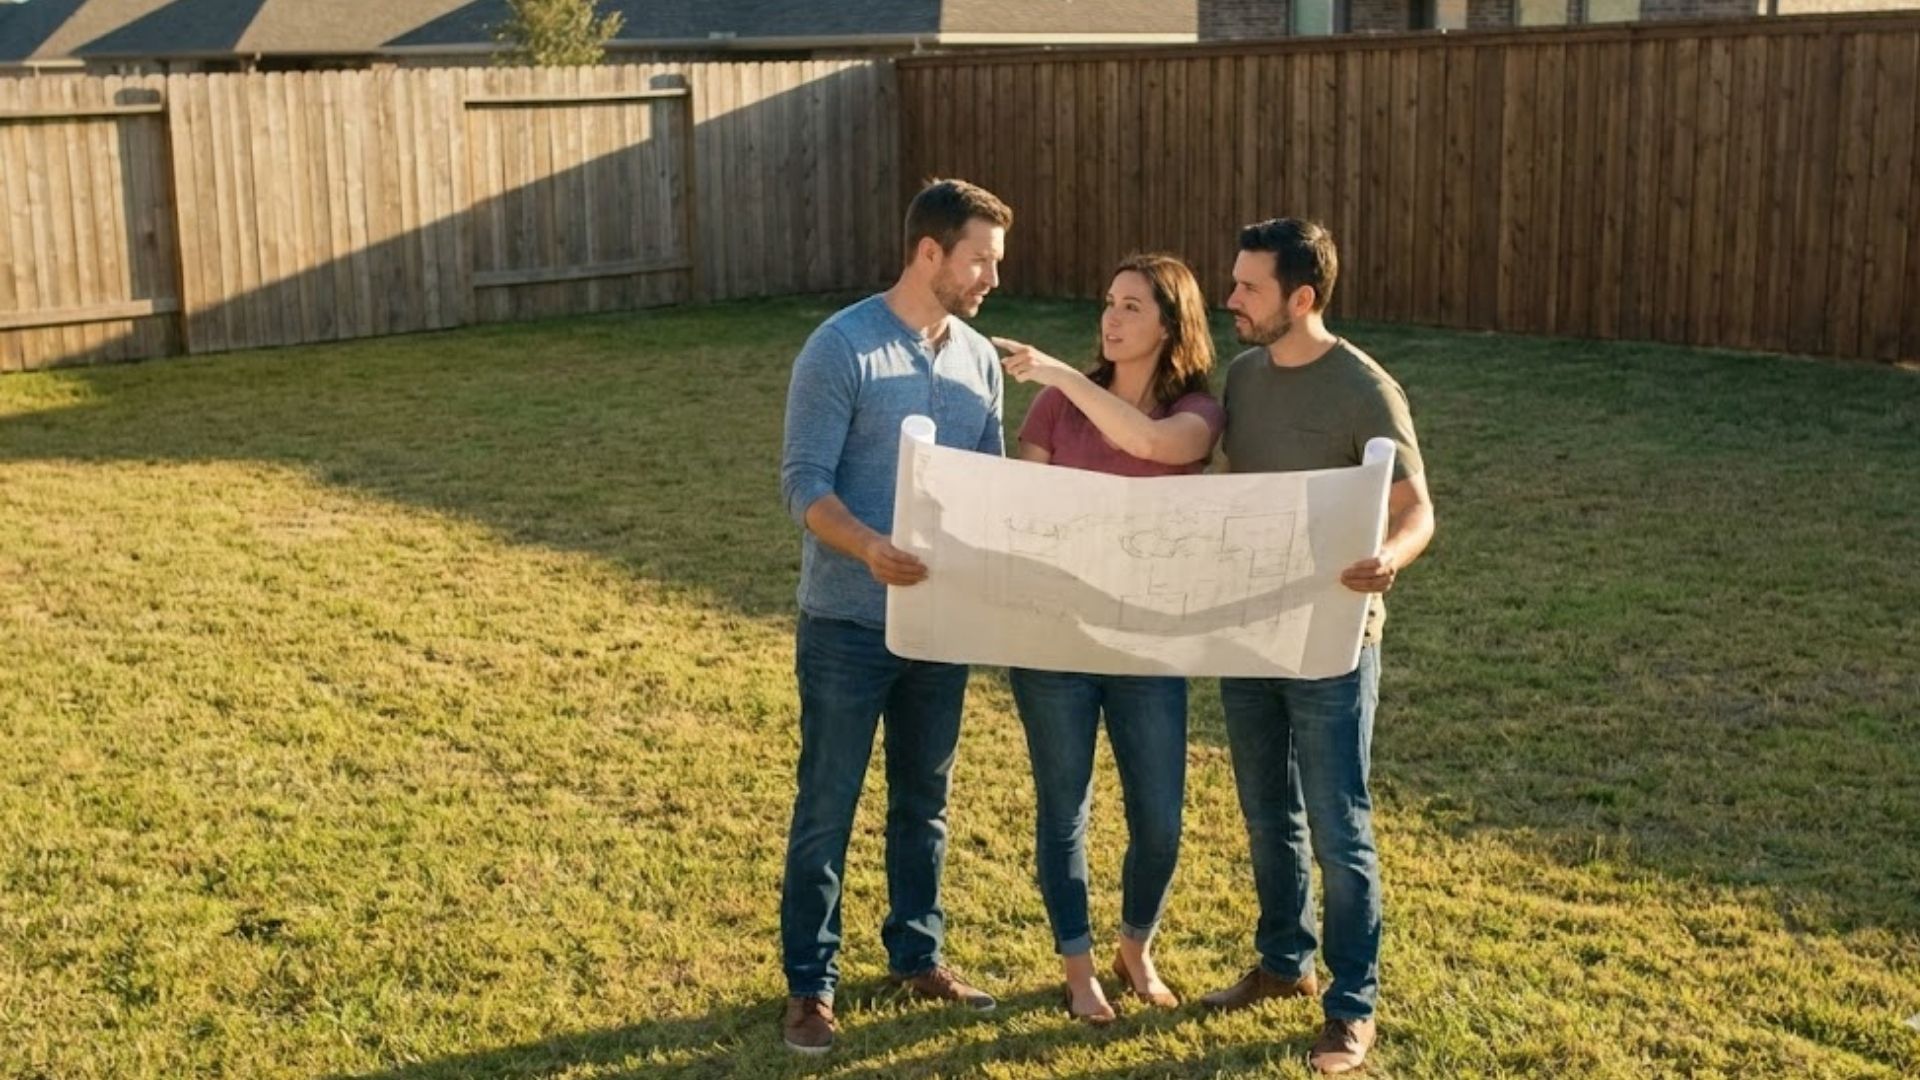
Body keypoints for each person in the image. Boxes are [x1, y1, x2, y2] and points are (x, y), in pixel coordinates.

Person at [775, 178, 1012, 1055]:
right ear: (929, 253)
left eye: (995, 262)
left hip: (940, 628)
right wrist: (869, 547)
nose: (991, 276)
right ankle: (811, 985)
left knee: (927, 802)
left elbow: (987, 489)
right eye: (980, 260)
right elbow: (804, 485)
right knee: (827, 804)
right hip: (846, 624)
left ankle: (918, 954)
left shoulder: (978, 359)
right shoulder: (841, 348)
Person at [1199, 218, 1436, 1076]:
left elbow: (1419, 511)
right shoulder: (1243, 378)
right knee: (1268, 813)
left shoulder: (1365, 390)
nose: (1231, 299)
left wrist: (1389, 559)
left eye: (1248, 288)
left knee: (1339, 826)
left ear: (1301, 299)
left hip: (1333, 640)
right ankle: (1280, 962)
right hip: (1248, 631)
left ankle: (1351, 1007)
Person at [990, 253, 1224, 1024]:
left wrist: (1064, 375)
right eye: (1108, 302)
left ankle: (1135, 945)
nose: (1111, 318)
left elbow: (1154, 449)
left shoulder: (1196, 411)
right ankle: (1079, 966)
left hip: (1148, 648)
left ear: (1169, 324)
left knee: (1158, 820)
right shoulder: (1054, 412)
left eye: (1131, 306)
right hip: (1055, 646)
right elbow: (1029, 515)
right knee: (1065, 811)